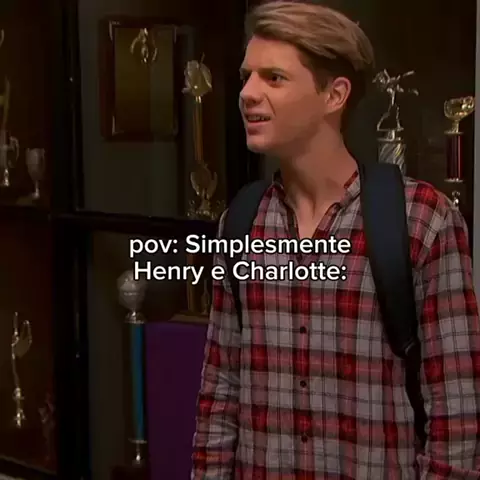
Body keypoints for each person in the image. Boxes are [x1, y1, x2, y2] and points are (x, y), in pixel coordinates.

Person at [190, 1, 480, 478]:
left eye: (274, 78)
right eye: (246, 76)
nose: (247, 93)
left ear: (334, 94)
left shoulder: (421, 221)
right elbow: (220, 395)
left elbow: (458, 416)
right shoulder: (240, 223)